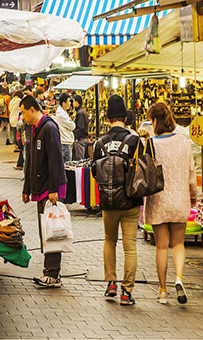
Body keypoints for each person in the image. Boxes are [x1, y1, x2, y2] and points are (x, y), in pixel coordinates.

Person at [143, 102, 196, 304]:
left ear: (155, 121)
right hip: (180, 199)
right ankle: (179, 278)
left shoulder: (152, 144)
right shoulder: (184, 141)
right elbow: (192, 172)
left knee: (162, 247)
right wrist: (193, 196)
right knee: (179, 244)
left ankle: (163, 290)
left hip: (158, 201)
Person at [92, 95, 143, 306]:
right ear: (125, 117)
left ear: (107, 118)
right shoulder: (135, 140)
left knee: (109, 240)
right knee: (129, 246)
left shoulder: (99, 143)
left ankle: (111, 283)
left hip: (108, 200)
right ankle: (126, 292)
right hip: (130, 201)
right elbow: (145, 167)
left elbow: (95, 171)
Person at [20, 95, 66, 288]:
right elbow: (30, 160)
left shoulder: (49, 128)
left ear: (32, 109)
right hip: (40, 189)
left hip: (49, 190)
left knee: (52, 231)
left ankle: (53, 274)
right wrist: (27, 187)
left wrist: (54, 189)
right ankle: (49, 271)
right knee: (46, 230)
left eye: (23, 112)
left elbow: (56, 160)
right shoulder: (35, 129)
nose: (23, 117)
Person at [54, 93, 76, 165]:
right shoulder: (61, 115)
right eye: (69, 101)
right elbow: (72, 126)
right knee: (66, 166)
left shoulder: (63, 113)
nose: (70, 103)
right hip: (65, 143)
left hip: (66, 142)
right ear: (64, 103)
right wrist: (71, 122)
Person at [73, 95, 89, 160]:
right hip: (82, 138)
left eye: (73, 101)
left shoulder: (80, 113)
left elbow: (80, 127)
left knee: (79, 159)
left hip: (80, 139)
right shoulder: (81, 111)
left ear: (77, 102)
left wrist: (74, 136)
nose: (72, 103)